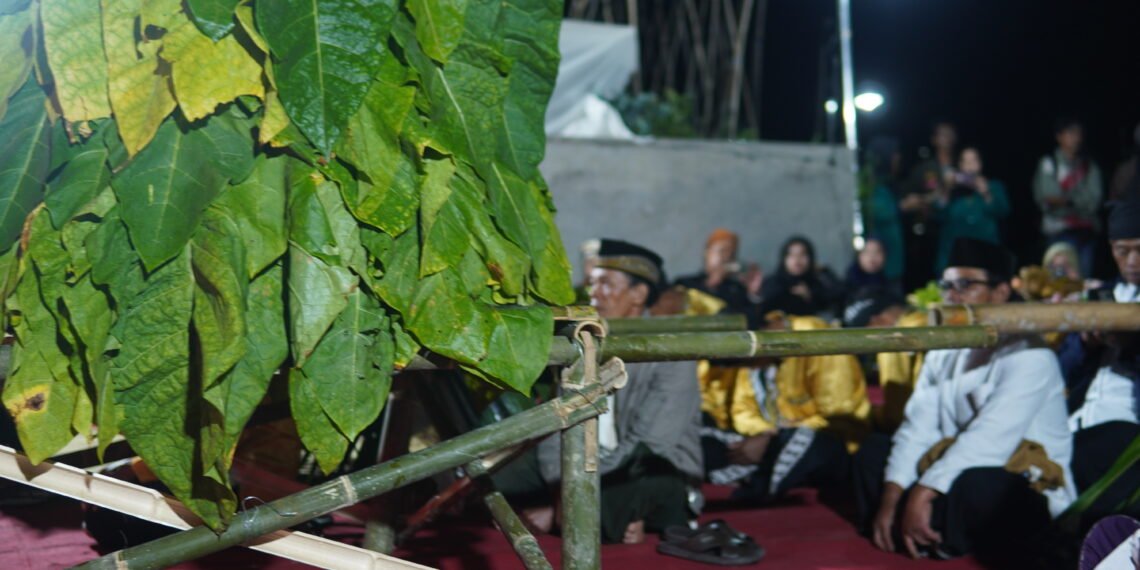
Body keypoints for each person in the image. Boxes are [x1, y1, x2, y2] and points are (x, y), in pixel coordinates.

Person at [854, 238, 1076, 562]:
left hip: (1019, 477)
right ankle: (919, 526)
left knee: (982, 484)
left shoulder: (1032, 354)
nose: (952, 296)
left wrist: (920, 492)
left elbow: (989, 441)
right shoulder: (947, 347)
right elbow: (919, 425)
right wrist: (892, 496)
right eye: (947, 285)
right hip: (950, 467)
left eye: (966, 285)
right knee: (872, 453)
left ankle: (928, 528)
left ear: (1000, 293)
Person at [533, 239, 703, 545]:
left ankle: (607, 513)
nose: (593, 294)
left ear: (639, 294)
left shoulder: (673, 351)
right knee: (498, 474)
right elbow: (552, 427)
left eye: (605, 284)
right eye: (592, 283)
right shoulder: (584, 341)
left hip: (646, 469)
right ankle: (610, 516)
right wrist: (560, 487)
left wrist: (575, 492)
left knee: (633, 484)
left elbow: (651, 444)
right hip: (586, 468)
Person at [699, 312, 871, 503]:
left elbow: (838, 418)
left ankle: (760, 490)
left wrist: (773, 438)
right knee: (700, 440)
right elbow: (744, 412)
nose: (747, 366)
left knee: (803, 439)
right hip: (772, 440)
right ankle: (767, 473)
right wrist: (761, 440)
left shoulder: (818, 338)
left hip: (830, 443)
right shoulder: (757, 361)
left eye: (746, 360)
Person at [1064, 198, 1140, 528]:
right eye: (1122, 251)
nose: (1133, 261)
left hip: (1129, 429)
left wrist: (1131, 346)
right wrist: (1083, 344)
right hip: (1076, 419)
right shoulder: (1100, 296)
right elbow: (1060, 371)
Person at [843, 290, 926, 434]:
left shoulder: (893, 341)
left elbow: (895, 412)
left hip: (921, 427)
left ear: (875, 321)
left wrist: (876, 417)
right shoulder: (932, 319)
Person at [1034, 118, 1104, 278]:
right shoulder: (1049, 163)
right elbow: (1048, 198)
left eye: (1079, 133)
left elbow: (1094, 201)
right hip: (1058, 231)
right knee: (1058, 282)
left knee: (1083, 280)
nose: (1076, 138)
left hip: (1085, 232)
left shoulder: (1088, 165)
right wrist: (1078, 202)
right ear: (1059, 136)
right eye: (1071, 133)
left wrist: (1067, 202)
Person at [932, 147, 1011, 274]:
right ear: (960, 165)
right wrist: (945, 189)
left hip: (985, 257)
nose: (969, 166)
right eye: (965, 162)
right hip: (954, 259)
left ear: (980, 164)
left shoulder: (993, 186)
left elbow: (1003, 212)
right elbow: (938, 216)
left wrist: (986, 193)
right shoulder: (952, 192)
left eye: (973, 161)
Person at [901, 121, 959, 290]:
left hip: (955, 230)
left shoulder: (961, 166)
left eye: (950, 134)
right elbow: (907, 200)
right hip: (929, 233)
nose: (946, 139)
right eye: (942, 134)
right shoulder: (925, 169)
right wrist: (926, 200)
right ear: (934, 139)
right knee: (931, 278)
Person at [674, 229, 761, 325]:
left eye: (732, 254)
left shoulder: (737, 289)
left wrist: (752, 294)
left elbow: (751, 323)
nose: (727, 257)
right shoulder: (685, 283)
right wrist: (713, 282)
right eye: (722, 251)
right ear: (707, 252)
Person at [758, 236, 842, 319]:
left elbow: (834, 303)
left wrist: (809, 296)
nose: (797, 259)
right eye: (792, 255)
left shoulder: (818, 283)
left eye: (802, 254)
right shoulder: (773, 284)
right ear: (784, 259)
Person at [863, 136, 906, 283]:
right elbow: (880, 213)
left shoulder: (890, 184)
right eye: (894, 154)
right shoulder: (872, 185)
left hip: (894, 261)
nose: (898, 158)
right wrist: (903, 206)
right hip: (881, 262)